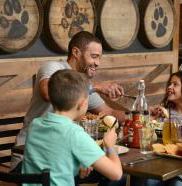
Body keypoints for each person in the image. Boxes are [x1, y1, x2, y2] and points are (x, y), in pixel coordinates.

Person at [12, 31, 125, 170]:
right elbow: (48, 93)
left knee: (117, 173)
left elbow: (110, 112)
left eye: (99, 58)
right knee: (114, 171)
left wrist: (139, 114)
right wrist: (97, 87)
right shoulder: (53, 67)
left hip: (61, 159)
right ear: (76, 52)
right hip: (28, 161)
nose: (98, 63)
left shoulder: (83, 84)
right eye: (94, 56)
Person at [22, 69, 123, 186]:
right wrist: (110, 145)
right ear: (82, 104)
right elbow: (116, 174)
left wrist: (77, 163)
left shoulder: (35, 125)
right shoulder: (75, 133)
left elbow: (53, 157)